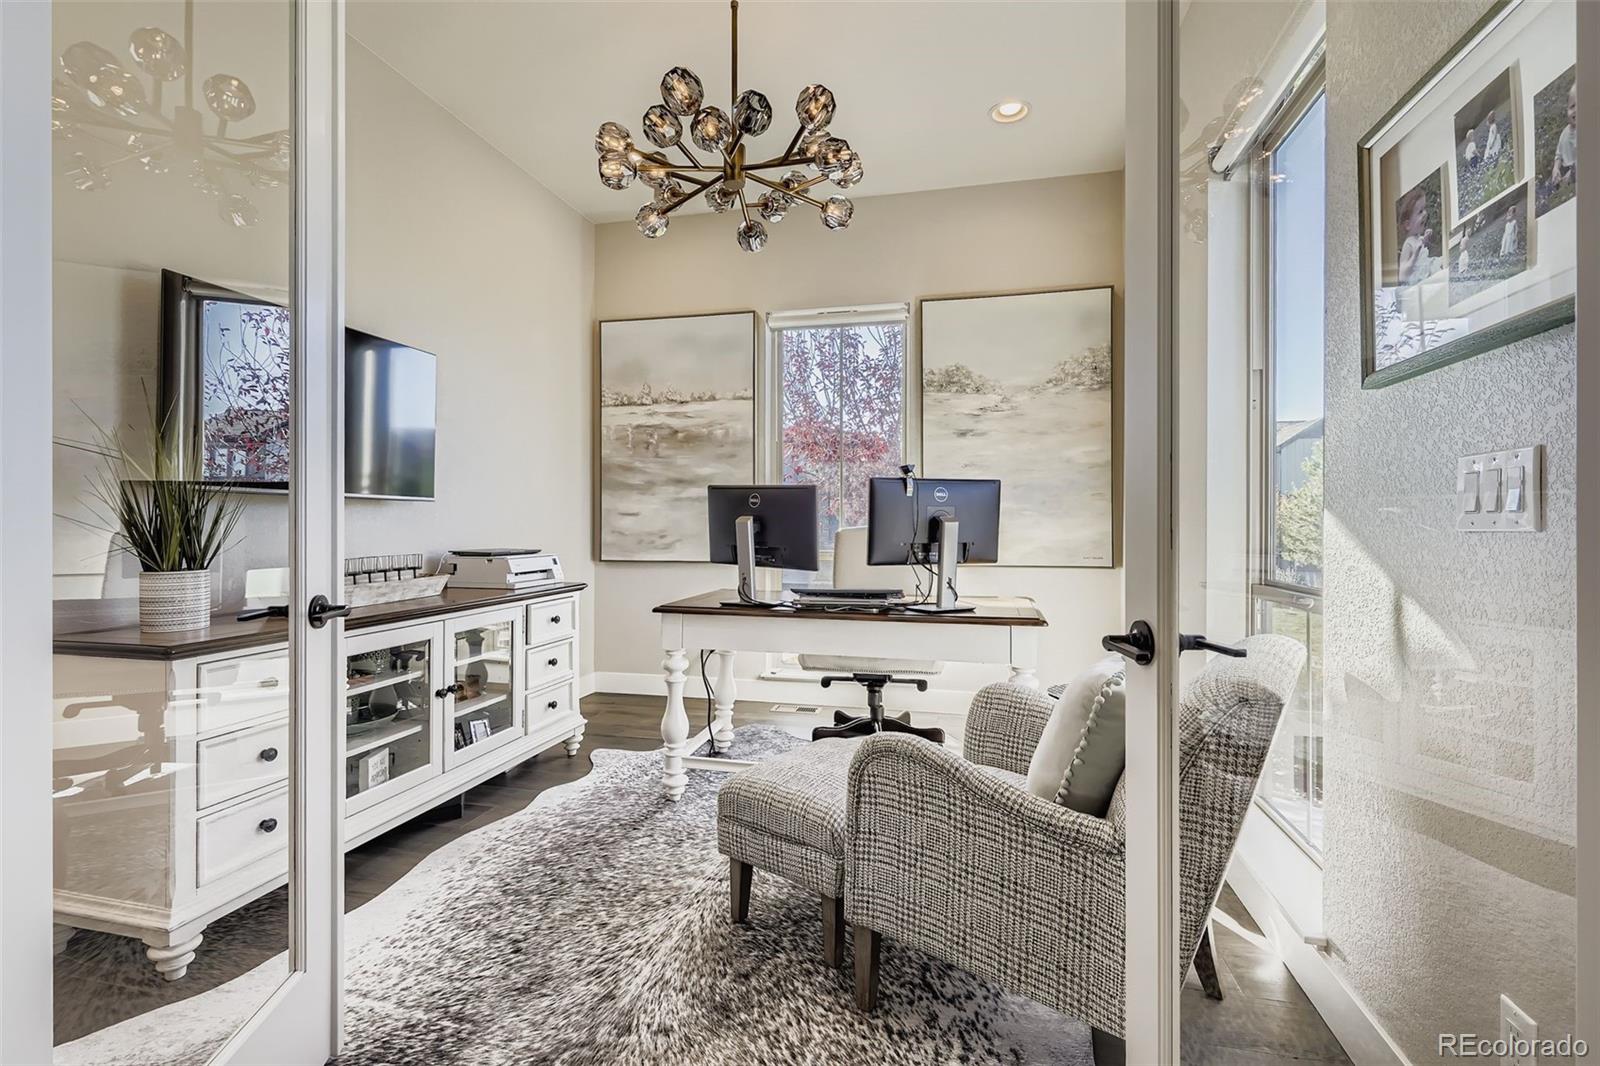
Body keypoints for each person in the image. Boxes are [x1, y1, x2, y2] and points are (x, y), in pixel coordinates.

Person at [1396, 186, 1436, 287]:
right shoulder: (1408, 244)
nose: (1425, 214)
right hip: (1416, 283)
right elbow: (1402, 275)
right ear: (1408, 225)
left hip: (1425, 272)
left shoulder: (1417, 238)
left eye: (1424, 209)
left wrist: (1425, 239)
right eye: (1420, 212)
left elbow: (1422, 250)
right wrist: (1414, 256)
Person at [1552, 82, 1577, 188]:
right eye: (1572, 106)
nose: (1576, 110)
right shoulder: (1564, 133)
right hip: (1568, 169)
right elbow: (1559, 155)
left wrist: (1571, 174)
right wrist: (1556, 168)